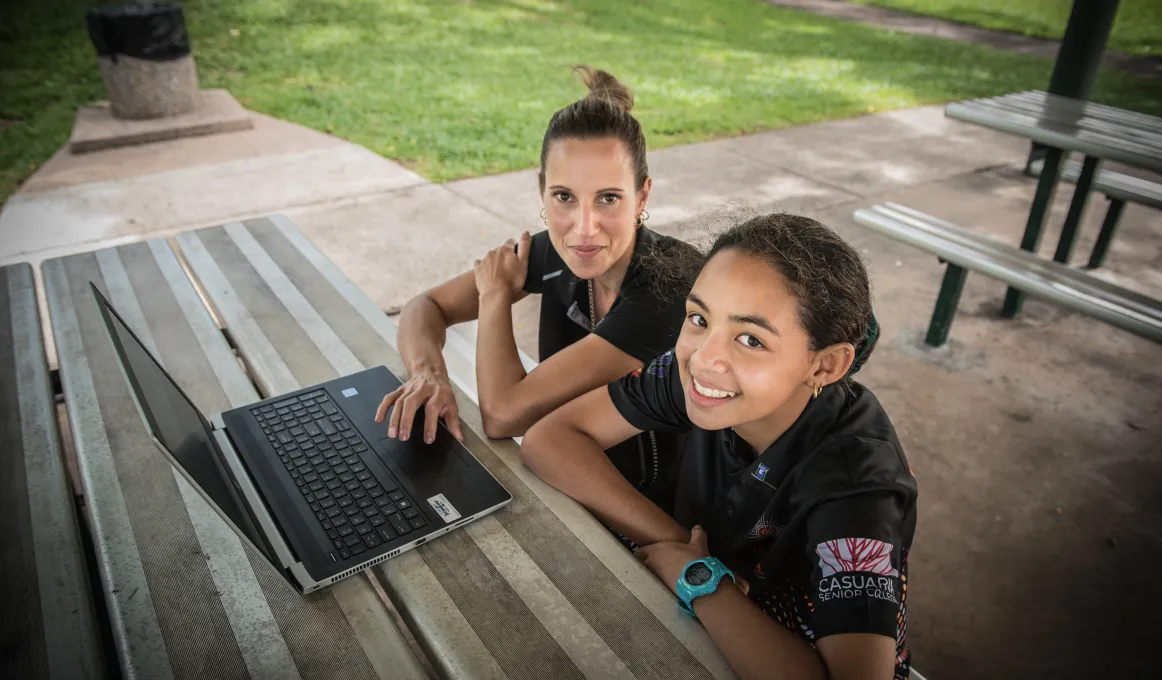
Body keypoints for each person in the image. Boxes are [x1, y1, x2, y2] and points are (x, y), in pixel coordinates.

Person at [520, 213, 918, 680]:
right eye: (698, 318)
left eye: (750, 339)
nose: (705, 358)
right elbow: (549, 439)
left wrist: (704, 582)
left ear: (826, 365)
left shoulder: (858, 484)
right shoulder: (691, 377)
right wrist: (679, 549)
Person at [376, 66, 697, 497]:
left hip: (665, 511)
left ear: (642, 197)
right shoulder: (558, 251)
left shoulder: (669, 286)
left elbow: (503, 414)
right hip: (571, 485)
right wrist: (428, 374)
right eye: (564, 197)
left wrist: (494, 295)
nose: (584, 228)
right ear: (542, 191)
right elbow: (425, 307)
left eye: (608, 198)